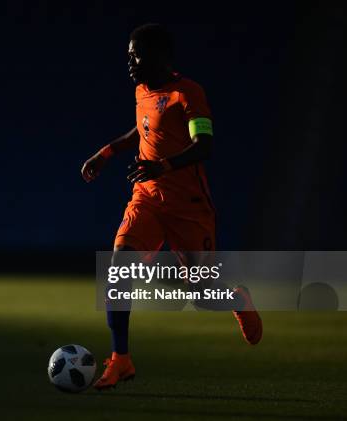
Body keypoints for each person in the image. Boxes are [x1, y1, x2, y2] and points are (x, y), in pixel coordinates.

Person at [80, 24, 263, 390]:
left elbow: (204, 144)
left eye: (137, 54)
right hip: (146, 197)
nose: (130, 61)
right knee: (119, 270)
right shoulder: (141, 91)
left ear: (161, 56)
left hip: (188, 207)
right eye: (129, 54)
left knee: (200, 292)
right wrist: (107, 152)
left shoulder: (188, 93)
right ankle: (121, 359)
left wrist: (163, 166)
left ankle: (236, 298)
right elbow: (142, 129)